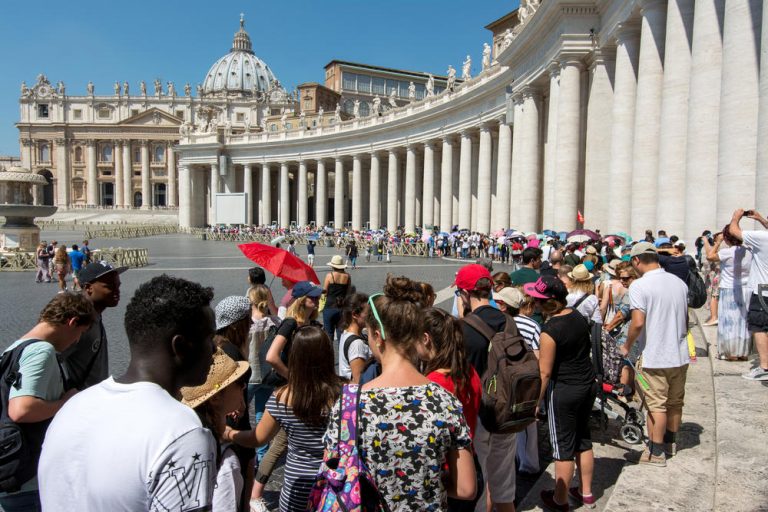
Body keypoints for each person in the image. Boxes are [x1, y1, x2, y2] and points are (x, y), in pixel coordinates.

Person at [39, 275, 218, 510]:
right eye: (209, 338)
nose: (215, 349)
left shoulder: (73, 406)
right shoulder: (183, 432)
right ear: (181, 346)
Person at [324, 275, 476, 510]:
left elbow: (333, 476)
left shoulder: (349, 404)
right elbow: (466, 489)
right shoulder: (446, 401)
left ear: (378, 336)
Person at [225, 326, 342, 512]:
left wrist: (229, 433)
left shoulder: (283, 397)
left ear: (294, 357)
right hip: (335, 485)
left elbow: (257, 438)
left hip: (297, 488)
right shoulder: (346, 393)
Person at [0, 293, 94, 511]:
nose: (77, 340)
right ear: (72, 322)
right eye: (80, 333)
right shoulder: (41, 351)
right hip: (29, 479)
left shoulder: (14, 349)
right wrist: (67, 402)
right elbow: (21, 410)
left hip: (13, 471)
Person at [523, 276, 597, 511]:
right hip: (587, 384)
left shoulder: (550, 330)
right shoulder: (577, 316)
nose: (533, 302)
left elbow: (544, 372)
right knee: (583, 439)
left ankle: (560, 499)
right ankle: (586, 493)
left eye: (537, 299)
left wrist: (535, 402)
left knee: (562, 446)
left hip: (564, 390)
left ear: (547, 302)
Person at [455, 264, 516, 512]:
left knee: (480, 481)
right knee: (504, 485)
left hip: (479, 414)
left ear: (465, 293)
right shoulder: (509, 321)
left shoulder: (464, 329)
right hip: (507, 410)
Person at [622, 242, 689, 466]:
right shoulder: (678, 283)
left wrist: (627, 345)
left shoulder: (639, 286)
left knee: (656, 405)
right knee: (675, 402)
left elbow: (637, 322)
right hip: (679, 354)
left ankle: (655, 452)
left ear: (636, 260)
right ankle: (670, 443)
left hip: (654, 356)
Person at [417, 307, 483, 512]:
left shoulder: (433, 384)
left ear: (426, 338)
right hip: (469, 463)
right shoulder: (468, 370)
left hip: (448, 475)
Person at [181, 349, 250, 512]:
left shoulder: (185, 438)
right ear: (216, 398)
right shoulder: (225, 462)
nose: (244, 386)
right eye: (239, 382)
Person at [214, 296, 257, 510]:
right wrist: (237, 405)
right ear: (236, 324)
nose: (251, 323)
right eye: (247, 319)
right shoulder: (230, 352)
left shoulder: (219, 344)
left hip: (230, 416)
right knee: (242, 471)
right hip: (234, 421)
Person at [494, 287, 542, 475]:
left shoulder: (497, 324)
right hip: (524, 380)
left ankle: (511, 460)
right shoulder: (532, 325)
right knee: (526, 423)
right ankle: (528, 463)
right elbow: (538, 357)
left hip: (503, 378)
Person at [58, 261, 126, 391]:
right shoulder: (77, 323)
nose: (117, 291)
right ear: (89, 288)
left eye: (118, 286)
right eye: (110, 286)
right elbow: (49, 360)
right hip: (82, 398)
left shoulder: (95, 315)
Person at [727, 209, 768, 380]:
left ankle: (765, 367)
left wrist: (736, 217)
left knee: (759, 327)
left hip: (763, 289)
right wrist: (760, 219)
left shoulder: (762, 238)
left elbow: (734, 231)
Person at [703, 228, 752, 360]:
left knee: (729, 321)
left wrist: (717, 243)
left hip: (729, 289)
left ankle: (730, 352)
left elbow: (710, 256)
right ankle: (743, 351)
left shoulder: (727, 252)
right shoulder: (749, 251)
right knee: (743, 321)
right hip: (746, 288)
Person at [338, 292, 371, 382]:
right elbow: (359, 380)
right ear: (355, 315)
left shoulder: (346, 333)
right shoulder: (357, 344)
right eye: (368, 313)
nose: (370, 316)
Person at [322, 255, 351, 343]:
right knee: (341, 334)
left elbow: (324, 291)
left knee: (328, 334)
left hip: (329, 307)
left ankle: (329, 351)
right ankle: (341, 350)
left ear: (333, 266)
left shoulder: (329, 275)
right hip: (342, 307)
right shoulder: (347, 276)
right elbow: (348, 293)